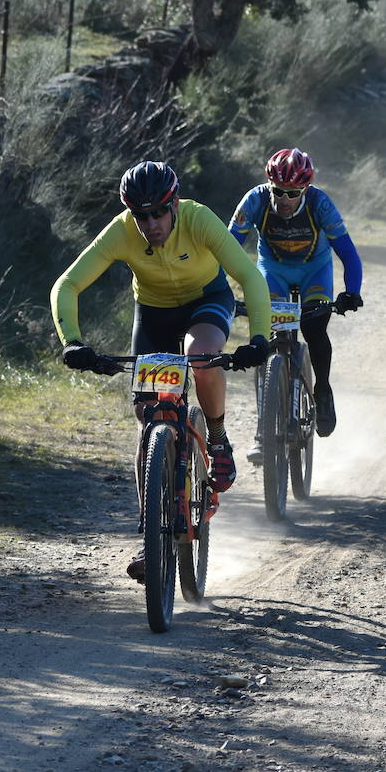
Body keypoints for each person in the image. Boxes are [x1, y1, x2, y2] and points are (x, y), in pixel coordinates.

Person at [51, 160, 272, 582]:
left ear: (173, 205)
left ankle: (219, 440)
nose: (150, 224)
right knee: (147, 416)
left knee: (201, 354)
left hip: (206, 301)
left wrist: (259, 337)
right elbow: (68, 284)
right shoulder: (121, 231)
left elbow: (247, 275)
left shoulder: (199, 219)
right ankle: (150, 537)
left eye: (158, 213)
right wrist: (73, 341)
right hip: (153, 313)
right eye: (141, 215)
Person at [227, 147, 362, 462]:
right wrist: (217, 287)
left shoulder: (320, 204)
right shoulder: (255, 201)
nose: (285, 199)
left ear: (306, 189)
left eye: (293, 192)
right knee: (265, 339)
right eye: (279, 191)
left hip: (314, 269)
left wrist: (351, 291)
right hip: (272, 271)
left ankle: (323, 392)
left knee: (314, 328)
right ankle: (263, 431)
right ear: (269, 185)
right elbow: (226, 246)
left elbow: (348, 254)